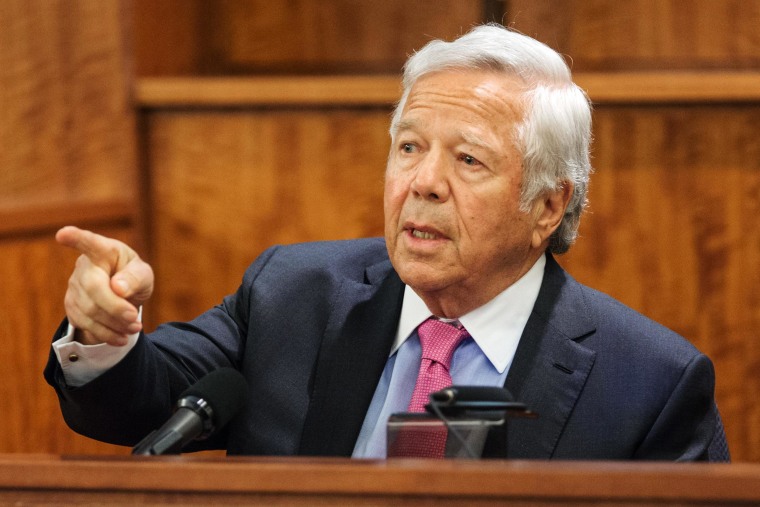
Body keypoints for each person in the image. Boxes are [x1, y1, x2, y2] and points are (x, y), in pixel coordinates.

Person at [45, 24, 728, 460]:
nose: (422, 183)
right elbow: (141, 400)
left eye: (468, 161)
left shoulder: (650, 386)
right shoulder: (293, 295)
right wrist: (104, 334)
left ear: (549, 206)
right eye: (408, 148)